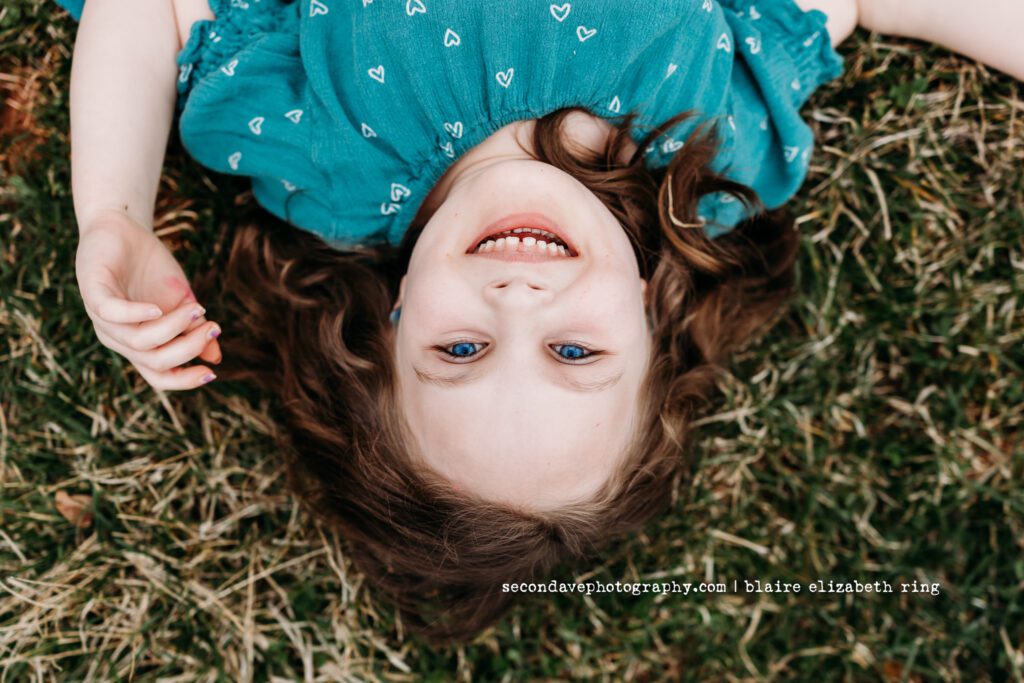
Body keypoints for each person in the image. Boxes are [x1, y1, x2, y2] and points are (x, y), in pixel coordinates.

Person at [63, 0, 1023, 639]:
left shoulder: (327, 161)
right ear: (653, 322)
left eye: (460, 349)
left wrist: (114, 211)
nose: (517, 306)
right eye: (574, 350)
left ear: (389, 328)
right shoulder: (701, 139)